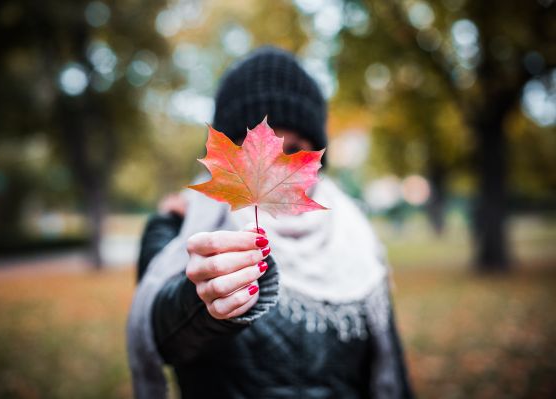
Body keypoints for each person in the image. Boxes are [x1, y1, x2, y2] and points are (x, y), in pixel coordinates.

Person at [127, 46, 414, 399]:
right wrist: (206, 301)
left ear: (316, 158)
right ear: (224, 156)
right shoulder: (178, 230)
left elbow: (390, 373)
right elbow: (167, 334)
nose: (274, 167)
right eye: (253, 148)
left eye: (293, 150)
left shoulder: (356, 237)